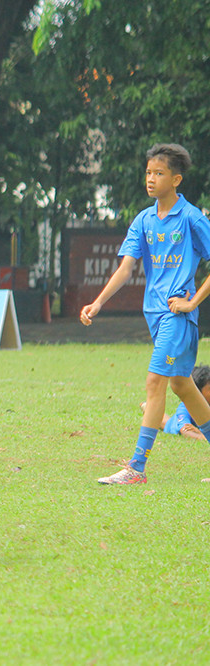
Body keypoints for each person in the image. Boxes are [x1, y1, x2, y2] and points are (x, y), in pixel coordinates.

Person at [82, 143, 210, 484]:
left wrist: (192, 301)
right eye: (149, 172)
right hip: (154, 313)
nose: (151, 179)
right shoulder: (144, 219)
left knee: (155, 383)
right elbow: (126, 268)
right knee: (183, 386)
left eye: (159, 173)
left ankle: (136, 468)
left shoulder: (192, 217)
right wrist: (98, 302)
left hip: (177, 317)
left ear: (176, 179)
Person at [149, 365, 210, 441]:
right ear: (197, 392)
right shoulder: (186, 407)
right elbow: (185, 431)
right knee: (163, 421)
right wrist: (203, 436)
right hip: (173, 424)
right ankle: (146, 407)